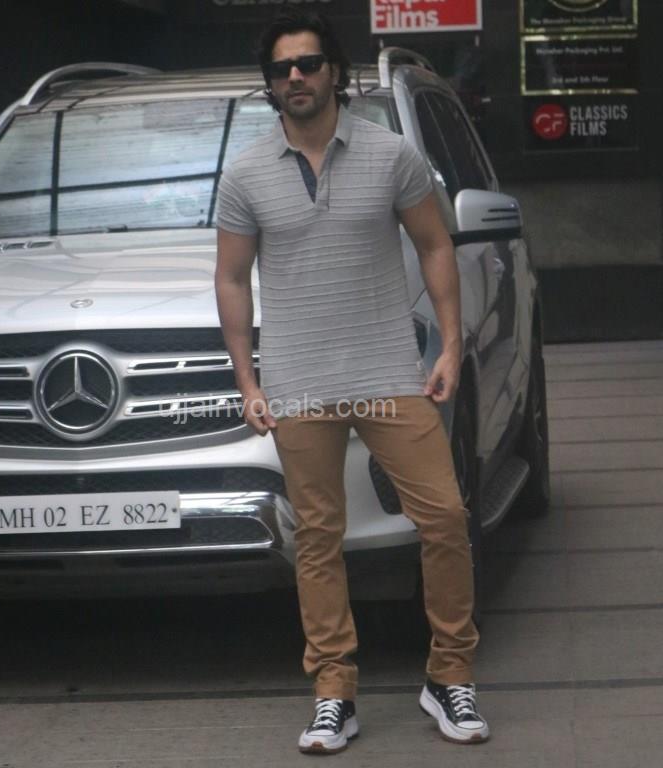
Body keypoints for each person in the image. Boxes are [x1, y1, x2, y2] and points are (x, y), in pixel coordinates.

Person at [214, 10, 489, 754]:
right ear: (270, 85)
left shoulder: (390, 154)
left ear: (333, 71)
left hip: (388, 372)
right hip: (298, 381)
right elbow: (232, 278)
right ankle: (333, 692)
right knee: (317, 539)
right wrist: (248, 380)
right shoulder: (245, 173)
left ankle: (449, 676)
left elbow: (434, 244)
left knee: (445, 518)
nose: (295, 77)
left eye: (307, 63)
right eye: (281, 69)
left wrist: (450, 345)